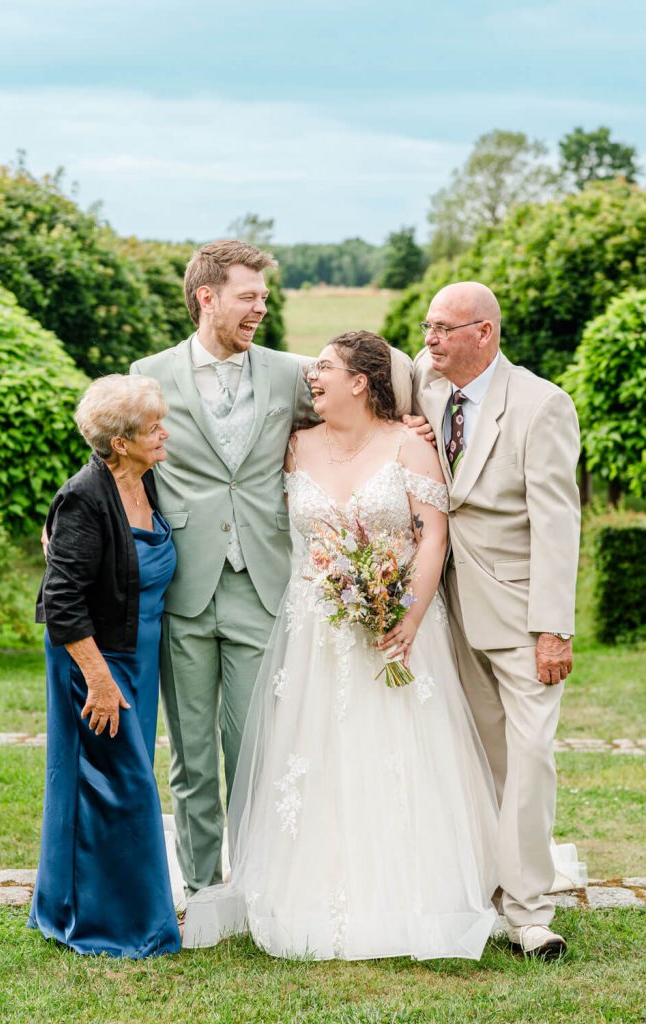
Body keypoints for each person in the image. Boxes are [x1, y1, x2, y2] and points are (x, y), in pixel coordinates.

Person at [183, 330, 499, 960]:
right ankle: (313, 885)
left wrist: (407, 616)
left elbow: (432, 538)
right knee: (317, 753)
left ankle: (409, 888)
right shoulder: (294, 445)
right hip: (316, 631)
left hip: (399, 628)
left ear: (360, 381)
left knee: (399, 753)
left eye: (324, 367)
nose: (312, 376)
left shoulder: (410, 443)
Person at [129, 241, 414, 908]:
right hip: (183, 586)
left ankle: (256, 885)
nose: (260, 307)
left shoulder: (291, 373)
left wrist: (405, 427)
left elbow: (363, 396)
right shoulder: (150, 373)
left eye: (264, 296)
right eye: (248, 296)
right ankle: (203, 888)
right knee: (191, 755)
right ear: (207, 298)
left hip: (265, 586)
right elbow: (121, 456)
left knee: (257, 747)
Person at [406, 282, 581, 958]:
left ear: (483, 332)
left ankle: (530, 912)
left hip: (520, 615)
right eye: (427, 326)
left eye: (443, 329)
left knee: (530, 757)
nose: (430, 339)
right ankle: (482, 886)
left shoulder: (540, 405)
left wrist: (553, 629)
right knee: (480, 758)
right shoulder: (421, 382)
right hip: (444, 612)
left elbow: (557, 523)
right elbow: (346, 371)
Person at [29, 374, 181, 959]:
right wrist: (97, 679)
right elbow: (61, 599)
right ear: (120, 443)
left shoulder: (148, 480)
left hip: (136, 657)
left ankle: (78, 906)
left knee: (118, 782)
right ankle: (119, 926)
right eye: (153, 428)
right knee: (120, 788)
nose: (164, 433)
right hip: (95, 661)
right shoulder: (85, 497)